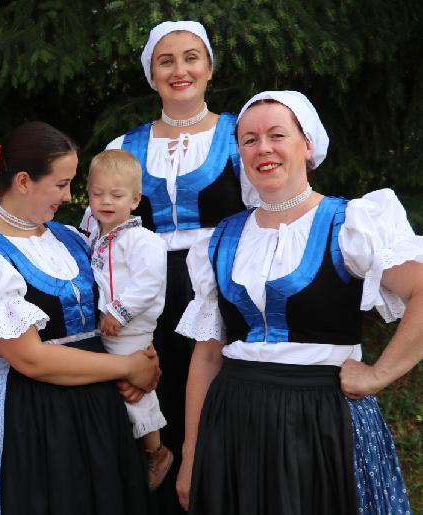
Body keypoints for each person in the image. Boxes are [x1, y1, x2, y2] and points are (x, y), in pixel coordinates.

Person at [175, 90, 421, 514]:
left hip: (320, 423)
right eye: (249, 139)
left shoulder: (350, 224)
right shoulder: (218, 240)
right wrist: (192, 453)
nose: (263, 148)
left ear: (307, 144)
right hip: (234, 421)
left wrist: (377, 375)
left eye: (277, 135)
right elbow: (208, 355)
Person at [80, 20, 259, 513]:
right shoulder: (125, 144)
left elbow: (266, 214)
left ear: (208, 67)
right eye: (166, 61)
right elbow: (97, 224)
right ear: (152, 75)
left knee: (219, 396)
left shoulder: (239, 134)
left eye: (190, 57)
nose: (180, 69)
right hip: (144, 289)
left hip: (219, 284)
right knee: (147, 393)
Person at [0, 121, 161, 515]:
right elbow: (31, 358)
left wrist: (145, 359)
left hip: (102, 406)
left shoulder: (71, 237)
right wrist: (128, 366)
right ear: (25, 181)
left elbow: (121, 308)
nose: (69, 196)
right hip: (40, 416)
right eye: (61, 184)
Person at [86, 149, 172, 490]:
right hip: (107, 329)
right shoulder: (97, 239)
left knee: (133, 389)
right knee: (111, 391)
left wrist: (118, 312)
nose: (106, 201)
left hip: (130, 327)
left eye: (117, 195)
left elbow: (149, 283)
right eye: (97, 193)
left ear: (135, 200)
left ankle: (157, 452)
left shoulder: (143, 240)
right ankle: (131, 454)